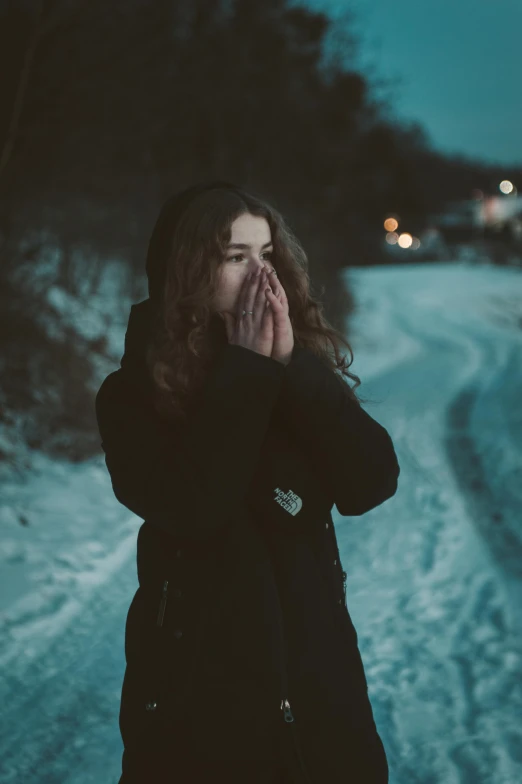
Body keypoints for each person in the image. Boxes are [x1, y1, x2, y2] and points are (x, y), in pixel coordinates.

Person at [95, 179, 400, 783]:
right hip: (197, 712)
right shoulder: (132, 396)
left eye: (266, 255)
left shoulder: (292, 369)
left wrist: (294, 372)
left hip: (319, 695)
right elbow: (193, 504)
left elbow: (372, 481)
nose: (262, 276)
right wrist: (246, 373)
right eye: (236, 257)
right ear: (186, 271)